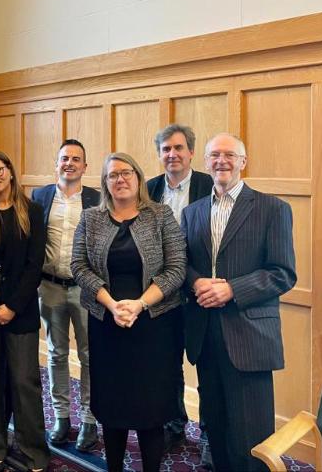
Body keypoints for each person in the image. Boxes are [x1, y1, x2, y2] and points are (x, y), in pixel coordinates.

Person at [180, 133, 296, 472]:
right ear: (205, 162)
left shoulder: (273, 209)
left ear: (243, 162)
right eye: (214, 155)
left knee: (251, 437)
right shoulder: (192, 212)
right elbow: (183, 264)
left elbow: (283, 273)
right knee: (215, 426)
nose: (221, 161)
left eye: (229, 155)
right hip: (205, 333)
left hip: (249, 335)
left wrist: (233, 289)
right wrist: (195, 281)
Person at [71, 153, 186, 472]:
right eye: (112, 175)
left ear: (138, 177)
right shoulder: (90, 218)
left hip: (153, 324)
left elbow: (176, 269)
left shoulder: (161, 215)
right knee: (112, 404)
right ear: (105, 183)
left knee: (151, 406)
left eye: (126, 173)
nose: (119, 179)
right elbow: (78, 267)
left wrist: (138, 304)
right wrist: (112, 304)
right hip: (107, 324)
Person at [0, 149, 50, 472]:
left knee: (24, 381)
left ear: (10, 172)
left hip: (22, 309)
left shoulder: (32, 210)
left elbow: (35, 266)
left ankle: (33, 450)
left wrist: (11, 307)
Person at [146, 124, 213, 456]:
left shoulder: (209, 185)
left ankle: (208, 434)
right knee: (167, 363)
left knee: (206, 364)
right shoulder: (149, 189)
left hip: (199, 289)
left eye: (178, 148)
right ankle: (174, 424)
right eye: (165, 149)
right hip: (162, 293)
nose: (171, 154)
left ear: (190, 152)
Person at [31, 139, 100, 451]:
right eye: (64, 158)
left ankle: (88, 418)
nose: (69, 163)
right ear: (56, 164)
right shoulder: (41, 196)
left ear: (85, 167)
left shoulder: (98, 199)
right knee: (56, 353)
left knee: (89, 356)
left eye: (76, 159)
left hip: (86, 290)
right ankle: (61, 416)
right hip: (50, 287)